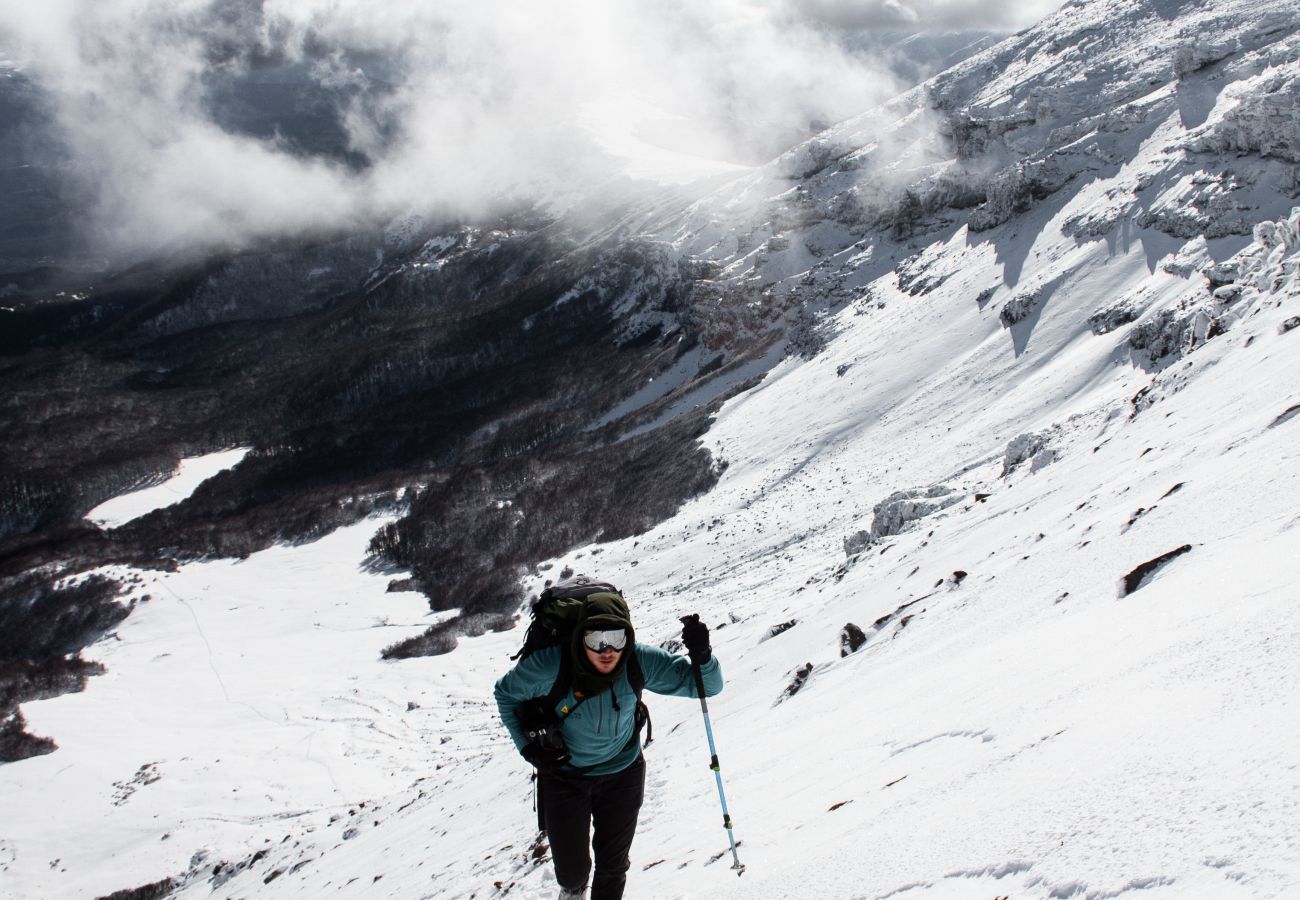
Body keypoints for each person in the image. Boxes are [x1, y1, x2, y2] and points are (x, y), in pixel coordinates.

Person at [494, 588, 722, 900]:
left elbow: (707, 685)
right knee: (572, 873)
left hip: (623, 774)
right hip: (565, 776)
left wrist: (703, 655)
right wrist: (527, 747)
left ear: (628, 638)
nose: (606, 650)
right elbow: (505, 693)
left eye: (616, 639)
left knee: (613, 867)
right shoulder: (552, 665)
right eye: (595, 639)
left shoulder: (637, 661)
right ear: (579, 638)